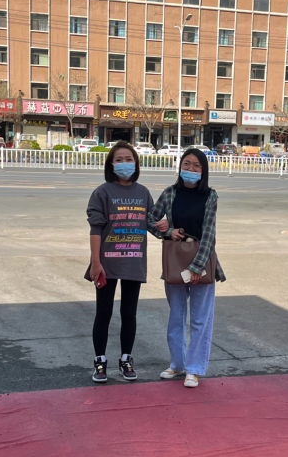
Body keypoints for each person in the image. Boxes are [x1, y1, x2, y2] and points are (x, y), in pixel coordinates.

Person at [148, 148, 226, 388]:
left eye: (196, 166)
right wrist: (167, 231)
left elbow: (209, 234)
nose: (190, 169)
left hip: (202, 261)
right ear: (180, 166)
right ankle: (177, 364)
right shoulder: (170, 193)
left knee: (200, 319)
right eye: (186, 164)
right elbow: (149, 219)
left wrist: (196, 267)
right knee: (176, 316)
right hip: (175, 261)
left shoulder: (210, 196)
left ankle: (194, 369)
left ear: (203, 170)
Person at [86, 141, 160, 383]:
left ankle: (126, 359)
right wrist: (95, 262)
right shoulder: (102, 192)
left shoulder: (143, 193)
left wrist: (168, 228)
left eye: (129, 159)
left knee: (129, 313)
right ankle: (100, 361)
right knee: (103, 313)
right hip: (107, 263)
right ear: (111, 164)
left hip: (133, 262)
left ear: (136, 163)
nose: (124, 163)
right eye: (119, 159)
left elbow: (152, 225)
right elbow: (96, 229)